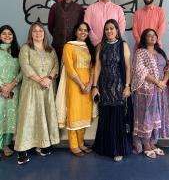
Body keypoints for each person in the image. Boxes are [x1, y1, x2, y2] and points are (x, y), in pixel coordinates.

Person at [14, 22, 60, 164]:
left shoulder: (50, 50)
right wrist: (40, 80)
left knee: (44, 116)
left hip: (47, 89)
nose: (38, 33)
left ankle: (43, 145)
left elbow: (56, 67)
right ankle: (22, 150)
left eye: (41, 31)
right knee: (28, 117)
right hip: (31, 89)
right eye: (35, 31)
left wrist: (49, 79)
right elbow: (25, 67)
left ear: (44, 34)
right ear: (31, 34)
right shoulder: (26, 48)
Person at [92, 19, 132, 161]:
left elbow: (128, 67)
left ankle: (118, 149)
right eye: (107, 29)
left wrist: (127, 86)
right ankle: (105, 147)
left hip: (118, 86)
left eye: (112, 28)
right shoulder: (100, 45)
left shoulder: (123, 45)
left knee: (117, 118)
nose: (109, 31)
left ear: (116, 30)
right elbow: (97, 67)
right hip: (104, 86)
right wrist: (95, 86)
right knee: (106, 117)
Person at [132, 29, 169, 158]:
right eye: (149, 36)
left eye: (154, 35)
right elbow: (140, 71)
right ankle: (145, 144)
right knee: (145, 117)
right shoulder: (140, 52)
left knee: (156, 116)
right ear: (144, 38)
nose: (152, 37)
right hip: (145, 91)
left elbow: (167, 69)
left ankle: (153, 142)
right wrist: (156, 82)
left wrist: (163, 82)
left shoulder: (160, 52)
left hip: (160, 90)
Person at [60, 22, 95, 156]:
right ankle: (74, 145)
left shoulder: (89, 47)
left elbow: (93, 68)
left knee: (84, 115)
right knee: (74, 114)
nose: (83, 32)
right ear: (75, 32)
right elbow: (69, 68)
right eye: (80, 30)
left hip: (87, 86)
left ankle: (81, 143)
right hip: (74, 86)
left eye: (85, 30)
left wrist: (90, 84)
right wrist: (81, 85)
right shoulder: (69, 46)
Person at [48, 0, 84, 65]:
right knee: (58, 69)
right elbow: (50, 26)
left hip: (74, 46)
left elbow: (81, 27)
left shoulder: (79, 9)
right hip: (58, 45)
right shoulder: (55, 7)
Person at [0, 25, 21, 159]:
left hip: (14, 90)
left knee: (11, 118)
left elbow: (23, 72)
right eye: (4, 34)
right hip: (1, 91)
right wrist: (3, 87)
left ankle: (6, 145)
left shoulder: (17, 52)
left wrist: (12, 85)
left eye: (10, 34)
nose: (7, 36)